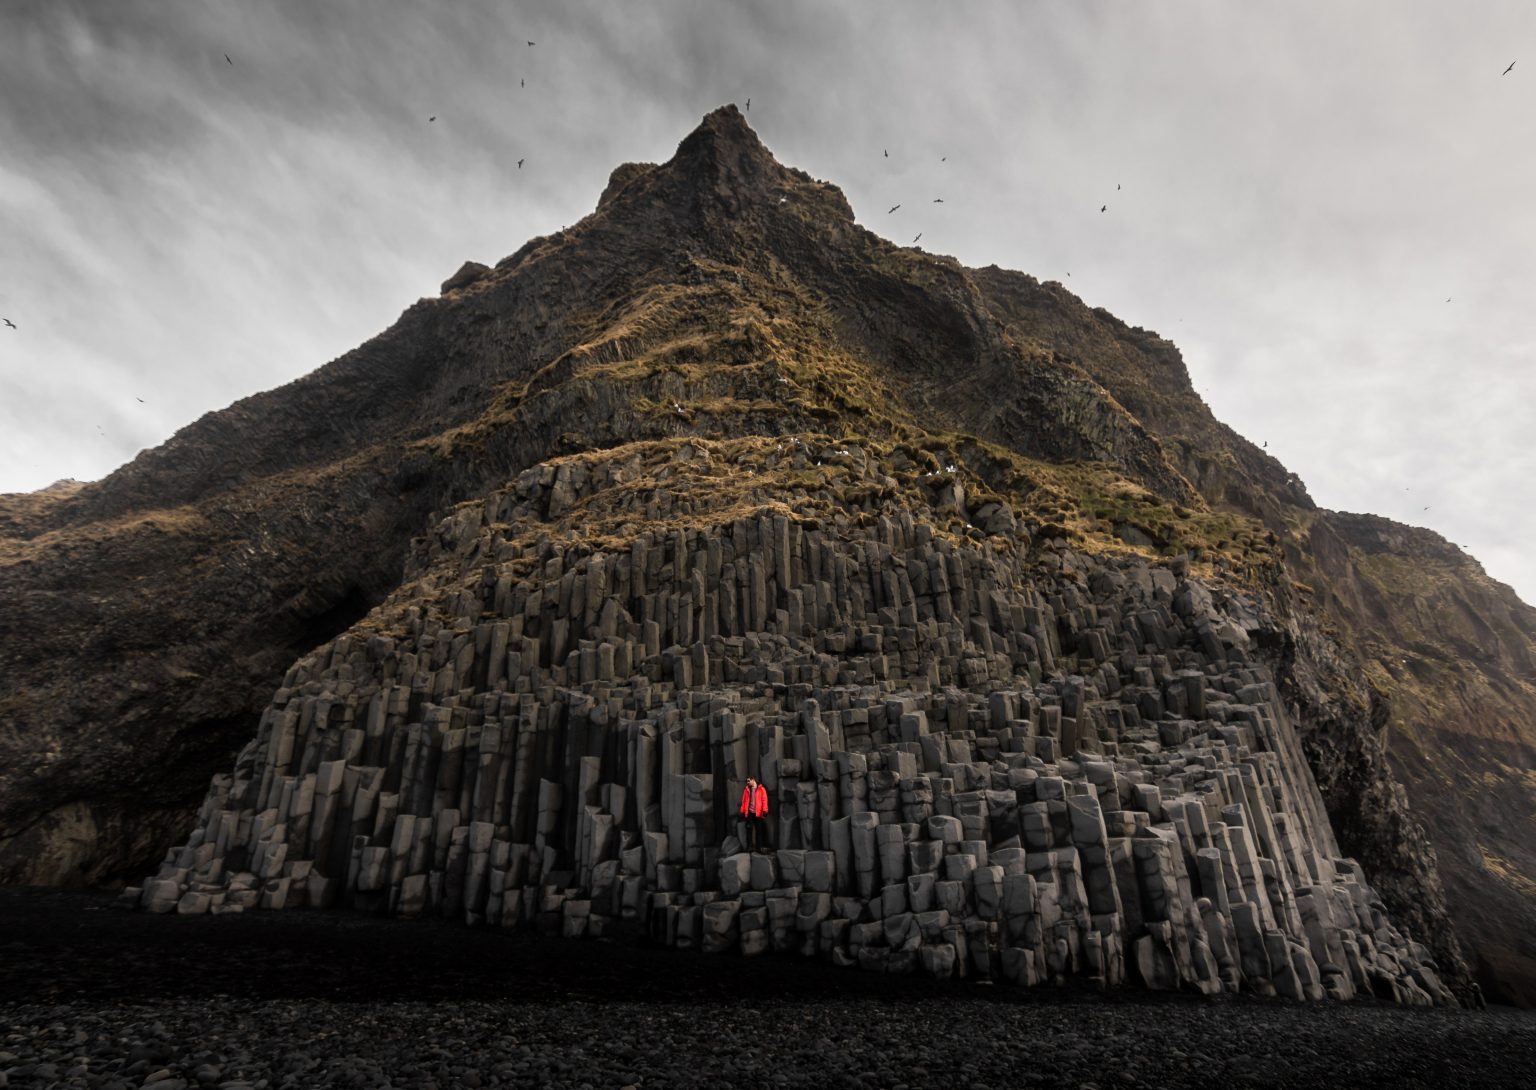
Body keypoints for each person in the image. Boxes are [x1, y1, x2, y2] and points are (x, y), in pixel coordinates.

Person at [739, 776, 769, 853]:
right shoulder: (747, 790)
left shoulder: (761, 789)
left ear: (753, 780)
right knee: (749, 830)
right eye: (747, 781)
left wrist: (765, 810)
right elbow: (744, 801)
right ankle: (750, 847)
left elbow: (764, 800)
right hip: (749, 813)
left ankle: (759, 847)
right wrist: (742, 811)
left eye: (749, 781)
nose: (747, 783)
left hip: (758, 813)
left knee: (759, 830)